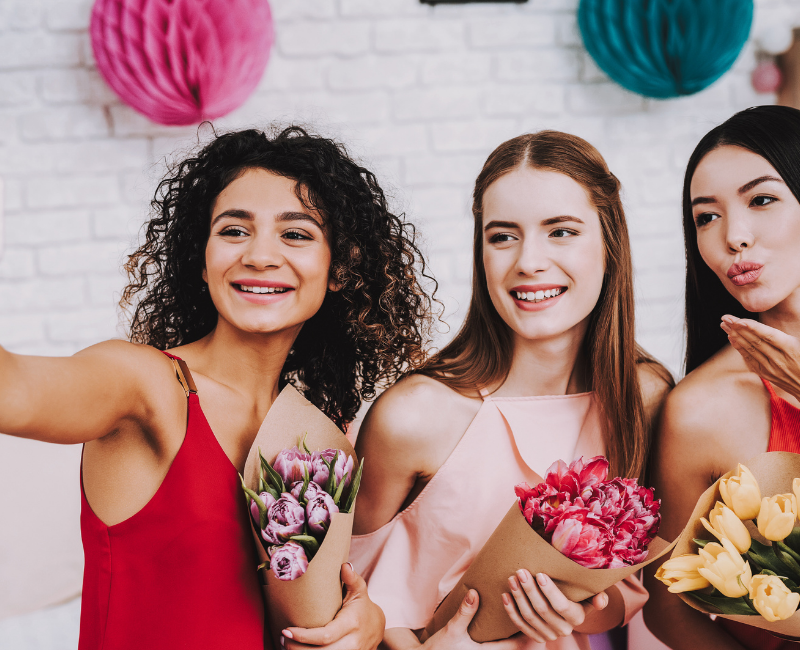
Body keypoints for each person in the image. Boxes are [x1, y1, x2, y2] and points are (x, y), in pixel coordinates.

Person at [0, 126, 435, 650]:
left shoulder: (315, 438)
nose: (259, 255)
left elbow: (303, 617)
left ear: (339, 268)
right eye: (234, 231)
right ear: (201, 260)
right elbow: (16, 390)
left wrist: (362, 622)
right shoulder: (144, 388)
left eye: (295, 234)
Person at [350, 131, 673, 650]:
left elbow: (632, 588)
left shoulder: (643, 395)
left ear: (610, 240)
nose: (528, 262)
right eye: (502, 236)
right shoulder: (412, 417)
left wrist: (578, 612)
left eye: (561, 231)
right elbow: (349, 590)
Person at [643, 105, 800, 650]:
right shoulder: (701, 408)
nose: (734, 236)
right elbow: (669, 610)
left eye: (762, 200)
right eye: (706, 217)